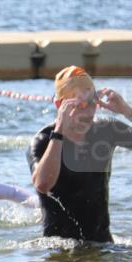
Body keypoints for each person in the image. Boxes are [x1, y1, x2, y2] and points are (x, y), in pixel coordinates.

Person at [29, 66, 132, 243]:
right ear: (60, 105)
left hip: (103, 246)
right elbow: (43, 184)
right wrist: (59, 131)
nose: (87, 112)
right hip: (60, 252)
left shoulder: (106, 130)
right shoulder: (43, 140)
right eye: (79, 105)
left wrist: (125, 110)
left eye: (92, 103)